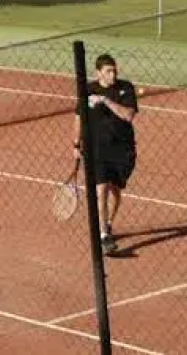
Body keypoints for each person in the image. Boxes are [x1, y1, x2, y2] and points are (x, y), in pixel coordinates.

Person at [76, 52, 140, 253]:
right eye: (108, 71)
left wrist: (105, 101)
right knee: (101, 189)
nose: (112, 74)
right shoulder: (87, 90)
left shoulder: (125, 88)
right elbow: (78, 117)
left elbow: (128, 116)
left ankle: (109, 223)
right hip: (97, 150)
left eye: (114, 70)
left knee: (115, 191)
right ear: (99, 73)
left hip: (122, 150)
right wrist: (76, 144)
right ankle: (104, 235)